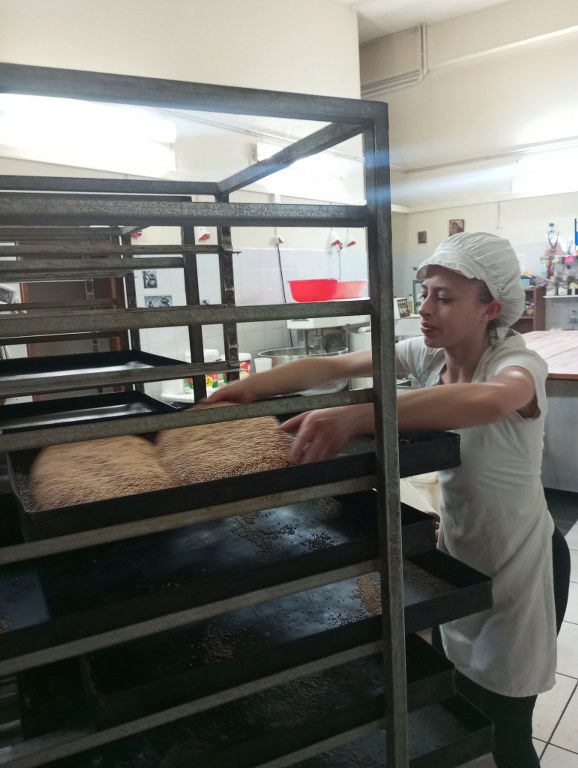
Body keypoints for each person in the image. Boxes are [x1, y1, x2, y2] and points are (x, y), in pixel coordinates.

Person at [209, 231, 570, 768]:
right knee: (464, 704)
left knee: (508, 734)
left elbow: (495, 399)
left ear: (490, 308)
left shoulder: (515, 364)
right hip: (462, 557)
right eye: (425, 294)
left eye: (444, 298)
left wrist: (366, 415)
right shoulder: (428, 356)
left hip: (524, 562)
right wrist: (252, 388)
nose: (424, 309)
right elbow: (336, 366)